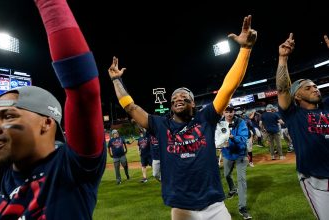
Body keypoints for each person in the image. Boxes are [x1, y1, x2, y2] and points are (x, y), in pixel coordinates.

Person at [108, 15, 257, 220]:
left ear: (193, 103)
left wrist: (245, 49)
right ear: (170, 105)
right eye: (175, 97)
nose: (179, 99)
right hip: (181, 209)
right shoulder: (161, 125)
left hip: (214, 205)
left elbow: (228, 87)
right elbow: (132, 107)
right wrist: (116, 80)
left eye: (184, 97)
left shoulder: (206, 118)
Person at [0, 0, 106, 219]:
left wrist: (49, 3)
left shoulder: (71, 168)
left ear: (47, 122)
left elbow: (84, 93)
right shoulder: (4, 174)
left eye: (8, 115)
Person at [275, 33, 329, 220]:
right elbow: (282, 89)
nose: (315, 88)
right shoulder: (293, 114)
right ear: (296, 96)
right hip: (316, 180)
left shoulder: (326, 107)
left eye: (315, 86)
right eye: (308, 87)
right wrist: (283, 58)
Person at [215, 105, 252, 219]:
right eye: (227, 112)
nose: (229, 114)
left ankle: (242, 208)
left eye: (231, 111)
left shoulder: (240, 122)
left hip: (241, 154)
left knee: (241, 179)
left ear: (234, 112)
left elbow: (243, 138)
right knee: (226, 175)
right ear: (223, 113)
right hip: (227, 154)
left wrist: (231, 137)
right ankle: (232, 189)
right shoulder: (219, 123)